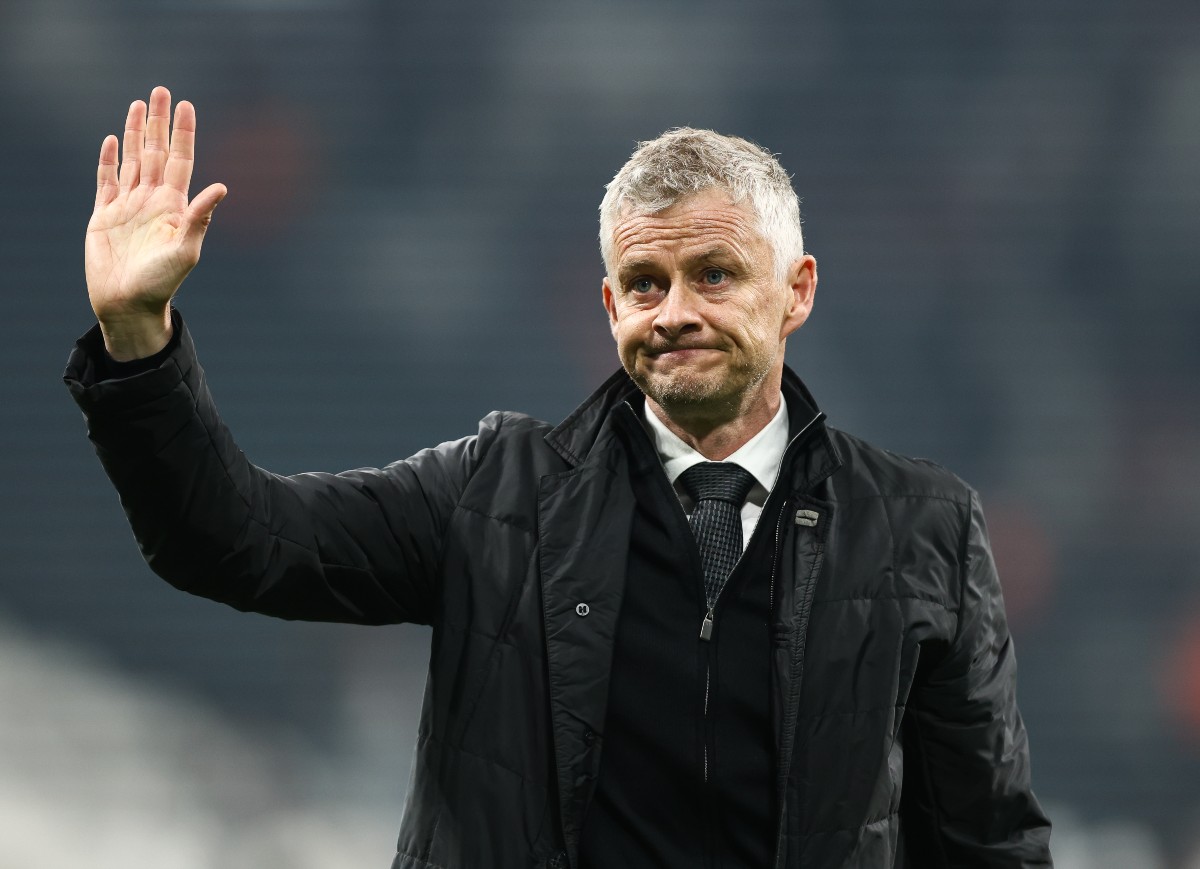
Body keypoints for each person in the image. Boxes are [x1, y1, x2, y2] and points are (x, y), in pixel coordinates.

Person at [66, 86, 1053, 868]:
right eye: (644, 283)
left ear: (796, 291)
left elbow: (985, 840)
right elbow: (238, 538)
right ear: (608, 304)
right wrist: (137, 340)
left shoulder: (925, 527)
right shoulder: (498, 491)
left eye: (715, 274)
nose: (674, 311)